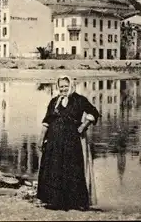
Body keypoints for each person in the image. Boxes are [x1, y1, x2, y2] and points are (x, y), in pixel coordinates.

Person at [37, 75, 101, 211]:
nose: (63, 89)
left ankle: (74, 202)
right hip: (54, 139)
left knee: (71, 169)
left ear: (71, 85)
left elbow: (94, 112)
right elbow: (47, 121)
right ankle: (54, 201)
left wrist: (83, 126)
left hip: (72, 140)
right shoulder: (54, 102)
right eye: (61, 87)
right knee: (54, 169)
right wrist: (41, 138)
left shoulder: (79, 100)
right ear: (58, 87)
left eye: (66, 86)